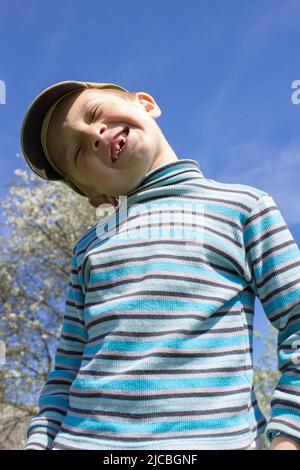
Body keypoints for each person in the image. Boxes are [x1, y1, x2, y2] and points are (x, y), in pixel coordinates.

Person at [20, 80, 300, 450]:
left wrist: (288, 436)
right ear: (94, 195)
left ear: (147, 104)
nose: (94, 133)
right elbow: (66, 371)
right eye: (76, 152)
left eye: (93, 113)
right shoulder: (88, 249)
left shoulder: (244, 208)